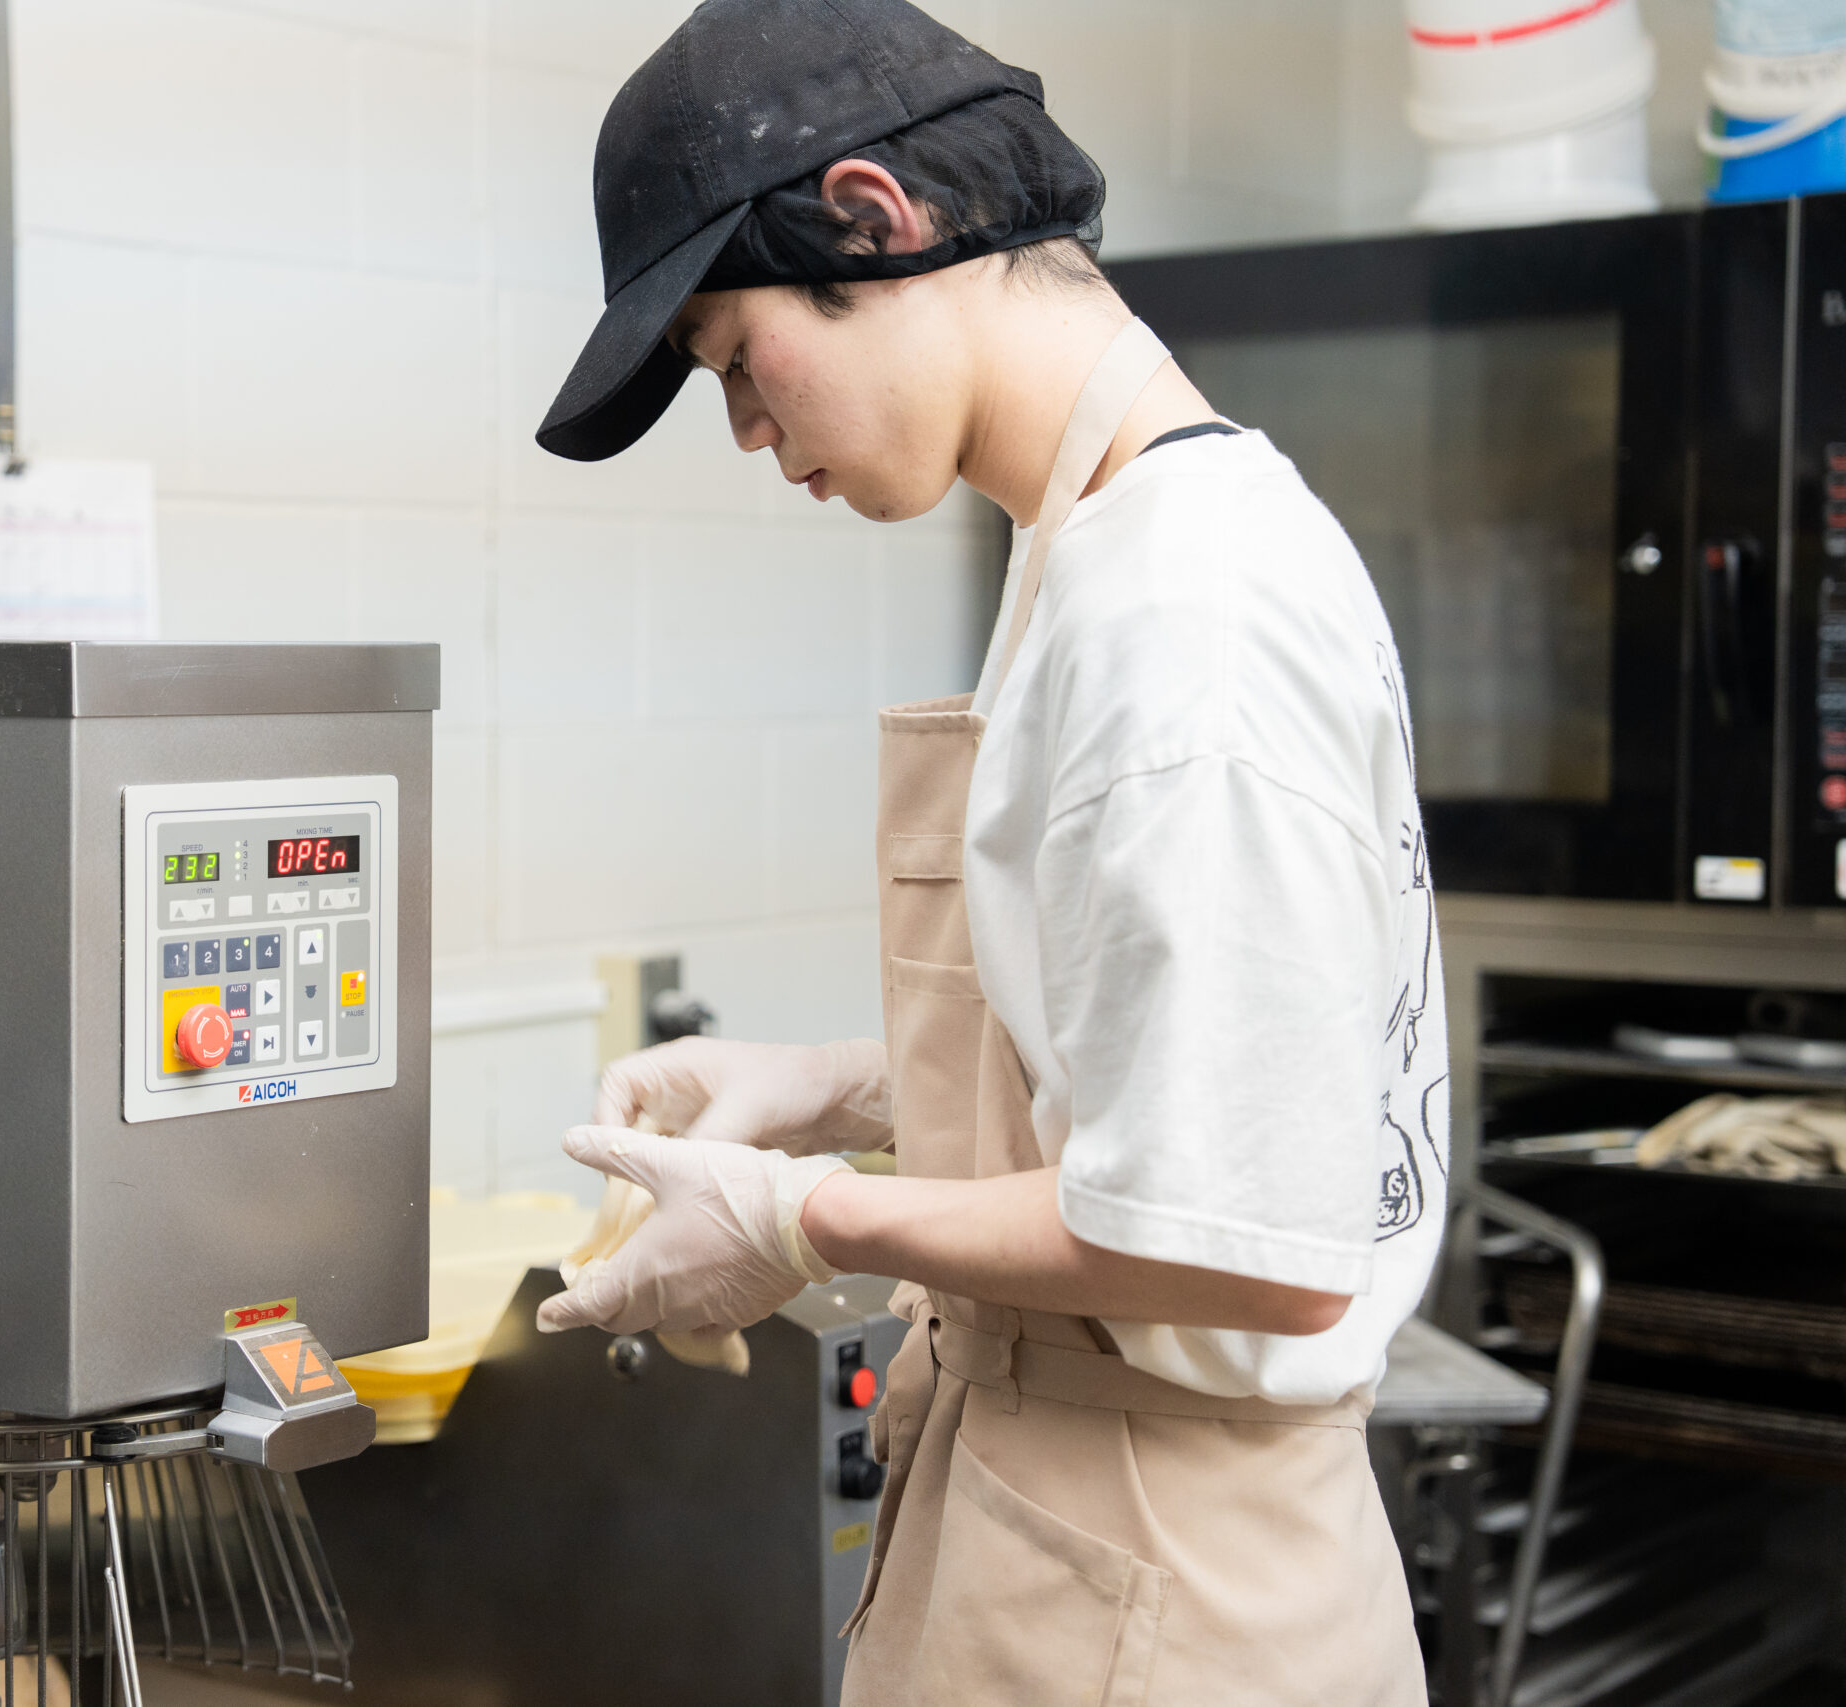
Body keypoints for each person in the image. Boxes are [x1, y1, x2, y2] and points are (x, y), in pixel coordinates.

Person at [530, 2, 1448, 1701]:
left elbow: (1242, 1234)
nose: (747, 434)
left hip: (1161, 1595)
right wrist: (833, 1088)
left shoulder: (1184, 613)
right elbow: (1172, 1065)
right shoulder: (1093, 549)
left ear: (876, 219)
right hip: (1081, 1531)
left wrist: (805, 1220)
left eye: (735, 361)